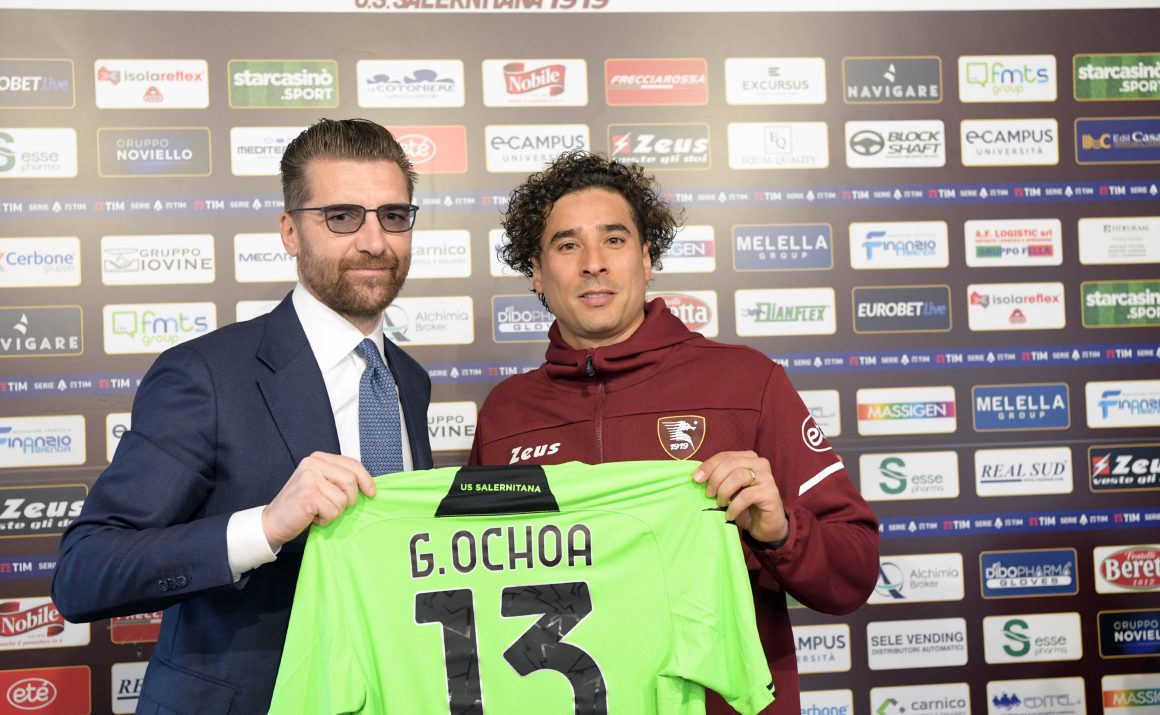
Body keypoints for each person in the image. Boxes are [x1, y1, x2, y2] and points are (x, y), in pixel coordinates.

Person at [468, 149, 879, 715]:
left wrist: (781, 533)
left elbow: (854, 573)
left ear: (646, 257)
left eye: (614, 240)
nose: (593, 263)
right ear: (537, 272)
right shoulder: (505, 415)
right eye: (567, 245)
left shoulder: (747, 381)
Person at [52, 118, 433, 714]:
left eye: (393, 215)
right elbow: (85, 573)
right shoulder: (205, 375)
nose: (374, 241)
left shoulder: (408, 379)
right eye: (341, 217)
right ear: (290, 232)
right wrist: (265, 527)